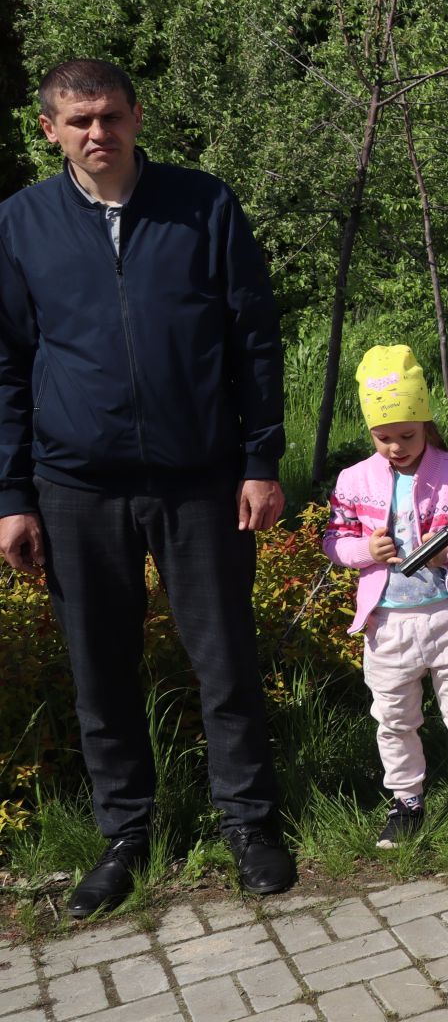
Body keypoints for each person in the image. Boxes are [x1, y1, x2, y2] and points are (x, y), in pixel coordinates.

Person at [0, 58, 295, 917]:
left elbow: (255, 338)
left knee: (226, 661)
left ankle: (248, 823)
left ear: (137, 116)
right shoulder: (20, 225)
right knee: (102, 670)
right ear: (50, 129)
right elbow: (8, 367)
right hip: (75, 482)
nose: (99, 134)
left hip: (199, 477)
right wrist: (12, 495)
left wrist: (260, 460)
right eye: (79, 120)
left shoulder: (203, 204)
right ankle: (126, 832)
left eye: (111, 116)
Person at [322, 345, 448, 846]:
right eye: (384, 438)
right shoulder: (353, 480)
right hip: (388, 623)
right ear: (370, 432)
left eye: (406, 435)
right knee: (393, 716)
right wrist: (364, 551)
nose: (396, 447)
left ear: (425, 422)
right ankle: (405, 799)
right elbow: (333, 542)